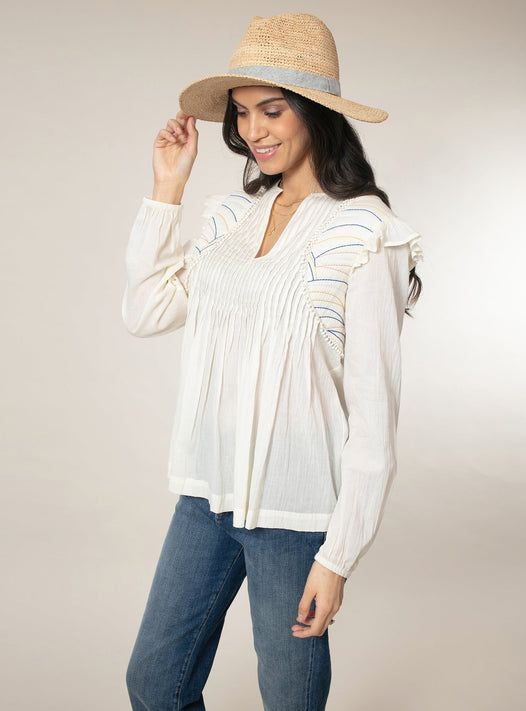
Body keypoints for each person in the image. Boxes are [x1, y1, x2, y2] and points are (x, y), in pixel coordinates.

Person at [122, 12, 423, 711]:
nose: (253, 129)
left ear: (314, 112)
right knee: (154, 683)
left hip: (295, 511)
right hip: (205, 495)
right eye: (241, 112)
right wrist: (167, 187)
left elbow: (374, 417)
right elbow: (145, 312)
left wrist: (337, 557)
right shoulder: (230, 217)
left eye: (271, 109)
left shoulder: (364, 231)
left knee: (288, 700)